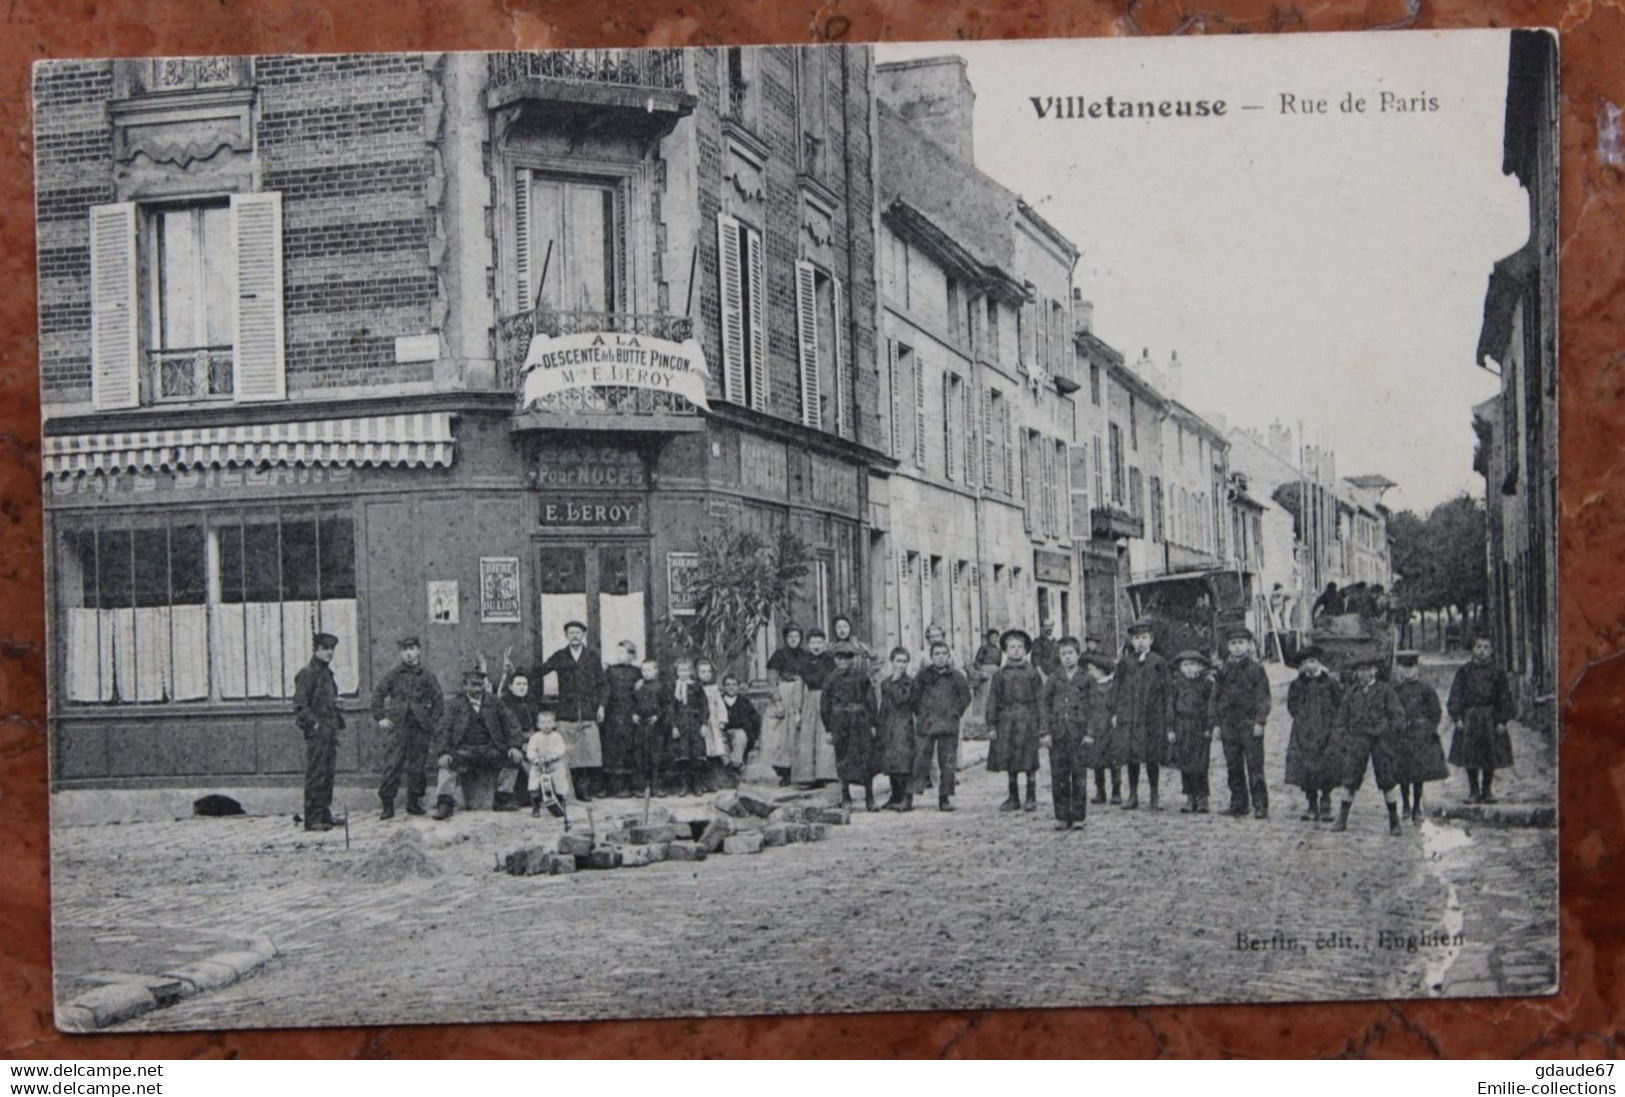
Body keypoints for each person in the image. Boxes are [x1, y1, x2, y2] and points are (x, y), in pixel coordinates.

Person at [431, 666, 525, 820]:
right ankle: (445, 803)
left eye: (480, 685)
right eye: (473, 685)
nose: (477, 689)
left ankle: (502, 798)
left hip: (490, 749)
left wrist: (515, 746)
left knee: (512, 759)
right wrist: (443, 752)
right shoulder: (455, 705)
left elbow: (512, 724)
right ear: (465, 685)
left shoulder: (495, 702)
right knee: (447, 763)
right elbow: (443, 729)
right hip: (464, 750)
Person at [1330, 654, 1408, 835]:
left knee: (1387, 780)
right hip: (1358, 740)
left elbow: (1398, 715)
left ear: (1375, 671)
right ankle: (1342, 818)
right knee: (1350, 779)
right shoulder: (1352, 693)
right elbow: (1341, 718)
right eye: (1360, 670)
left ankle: (1394, 821)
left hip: (1380, 740)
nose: (1364, 674)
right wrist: (1344, 737)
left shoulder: (1385, 691)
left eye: (1368, 669)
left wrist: (1390, 732)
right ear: (1356, 673)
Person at [370, 636, 444, 820]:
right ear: (400, 653)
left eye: (412, 649)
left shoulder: (427, 676)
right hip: (398, 727)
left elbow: (438, 700)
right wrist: (380, 717)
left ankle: (414, 803)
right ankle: (387, 805)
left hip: (420, 727)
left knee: (418, 765)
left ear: (419, 650)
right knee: (393, 764)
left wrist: (431, 721)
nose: (408, 653)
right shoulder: (394, 675)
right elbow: (378, 695)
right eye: (404, 650)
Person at [535, 621, 607, 802]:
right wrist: (516, 674)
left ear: (583, 635)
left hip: (588, 712)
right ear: (566, 636)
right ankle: (568, 792)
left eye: (578, 632)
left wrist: (601, 706)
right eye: (571, 633)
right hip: (567, 712)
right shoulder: (560, 656)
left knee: (588, 753)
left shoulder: (592, 656)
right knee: (569, 753)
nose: (574, 635)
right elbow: (541, 670)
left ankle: (586, 790)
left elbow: (603, 685)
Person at [1447, 636, 1516, 804]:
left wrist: (1502, 721)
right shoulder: (1464, 672)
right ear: (1473, 649)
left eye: (1486, 647)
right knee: (1470, 755)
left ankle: (1487, 790)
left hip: (1490, 718)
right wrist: (1457, 717)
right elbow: (1456, 695)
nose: (1482, 651)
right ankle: (1473, 790)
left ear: (1492, 651)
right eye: (1479, 646)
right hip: (1469, 718)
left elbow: (1504, 698)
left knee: (1489, 755)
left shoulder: (1498, 673)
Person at [1213, 625, 1272, 818]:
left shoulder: (1256, 670)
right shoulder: (1223, 670)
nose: (1237, 647)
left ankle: (1260, 804)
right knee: (1233, 765)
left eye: (1241, 643)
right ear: (1228, 646)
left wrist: (1259, 721)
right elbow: (1216, 698)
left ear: (1249, 645)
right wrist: (1216, 724)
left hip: (1250, 724)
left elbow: (1263, 697)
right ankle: (1238, 803)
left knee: (1255, 767)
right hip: (1229, 724)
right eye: (1233, 643)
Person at [1113, 620, 1170, 811]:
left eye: (1144, 638)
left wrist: (1166, 717)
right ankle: (1133, 794)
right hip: (1130, 717)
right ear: (1131, 640)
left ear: (1151, 639)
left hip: (1152, 718)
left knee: (1152, 756)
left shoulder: (1158, 663)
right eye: (1136, 638)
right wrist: (1116, 712)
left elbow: (1166, 692)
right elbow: (1116, 689)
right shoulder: (1125, 663)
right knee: (1131, 756)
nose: (1140, 642)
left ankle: (1154, 795)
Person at [986, 628, 1044, 812]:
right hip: (1007, 721)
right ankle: (1013, 797)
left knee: (1029, 759)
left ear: (1026, 649)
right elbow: (992, 700)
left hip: (1028, 719)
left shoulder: (1032, 673)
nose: (1016, 650)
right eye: (1012, 647)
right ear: (1005, 650)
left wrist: (1043, 728)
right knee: (1010, 759)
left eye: (1020, 647)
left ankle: (1031, 797)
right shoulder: (1000, 675)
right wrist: (992, 725)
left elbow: (1041, 701)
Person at [1284, 645, 1343, 823]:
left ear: (1319, 663)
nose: (1309, 666)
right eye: (1305, 663)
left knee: (1326, 765)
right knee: (1305, 767)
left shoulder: (1330, 683)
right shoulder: (1297, 684)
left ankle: (1325, 802)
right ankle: (1311, 803)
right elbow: (1291, 706)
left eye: (1312, 661)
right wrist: (1303, 720)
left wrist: (1332, 724)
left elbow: (1339, 704)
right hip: (1304, 731)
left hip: (1326, 730)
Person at [293, 631, 345, 832]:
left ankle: (324, 814)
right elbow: (299, 704)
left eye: (332, 649)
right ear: (315, 649)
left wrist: (336, 705)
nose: (329, 653)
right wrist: (313, 724)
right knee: (316, 774)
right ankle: (312, 818)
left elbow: (323, 700)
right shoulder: (308, 673)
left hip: (330, 729)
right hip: (318, 732)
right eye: (325, 649)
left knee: (328, 773)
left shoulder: (326, 673)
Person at [912, 639, 971, 811]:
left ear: (949, 656)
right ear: (931, 656)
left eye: (944, 654)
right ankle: (912, 794)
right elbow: (914, 697)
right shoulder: (923, 676)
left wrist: (955, 712)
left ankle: (944, 797)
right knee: (920, 758)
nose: (940, 657)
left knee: (948, 762)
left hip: (948, 724)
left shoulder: (956, 676)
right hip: (927, 723)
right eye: (936, 654)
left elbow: (965, 697)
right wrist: (922, 713)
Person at [1392, 650, 1449, 823]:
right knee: (1402, 773)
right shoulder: (1395, 690)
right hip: (1401, 736)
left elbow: (1436, 712)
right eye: (1404, 667)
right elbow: (1390, 711)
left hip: (1419, 736)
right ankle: (1406, 806)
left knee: (1418, 774)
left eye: (1411, 667)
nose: (1407, 671)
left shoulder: (1426, 689)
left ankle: (1417, 806)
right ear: (1398, 669)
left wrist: (1428, 729)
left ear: (1417, 668)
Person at [1041, 637, 1091, 830]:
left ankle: (1078, 816)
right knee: (1059, 777)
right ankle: (1062, 816)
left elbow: (1095, 707)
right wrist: (1045, 732)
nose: (1067, 657)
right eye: (1063, 654)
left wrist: (1090, 733)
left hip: (1079, 736)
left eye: (1071, 653)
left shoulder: (1086, 678)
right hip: (1058, 735)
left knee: (1079, 776)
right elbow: (1044, 706)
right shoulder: (1054, 678)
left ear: (1078, 655)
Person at [823, 641, 878, 810]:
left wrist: (873, 723)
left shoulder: (862, 677)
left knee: (866, 758)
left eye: (848, 658)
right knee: (842, 758)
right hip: (840, 722)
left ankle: (870, 798)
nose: (844, 662)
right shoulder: (830, 679)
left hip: (860, 722)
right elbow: (825, 705)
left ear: (853, 659)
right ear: (835, 659)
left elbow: (871, 700)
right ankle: (846, 796)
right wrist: (829, 729)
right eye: (840, 658)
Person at [1168, 650, 1217, 815]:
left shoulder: (1207, 684)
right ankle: (1190, 797)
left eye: (1192, 665)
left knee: (1201, 763)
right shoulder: (1176, 684)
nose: (1189, 669)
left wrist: (1209, 728)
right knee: (1185, 762)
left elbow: (1212, 707)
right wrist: (1170, 729)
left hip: (1200, 727)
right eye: (1185, 665)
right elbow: (1171, 707)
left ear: (1201, 666)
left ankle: (1203, 797)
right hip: (1182, 725)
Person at [793, 629, 838, 785]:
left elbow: (835, 685)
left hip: (828, 700)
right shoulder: (804, 663)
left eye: (819, 642)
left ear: (825, 644)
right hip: (810, 700)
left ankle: (826, 774)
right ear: (808, 644)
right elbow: (799, 688)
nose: (816, 646)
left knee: (825, 735)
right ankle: (808, 775)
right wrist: (797, 711)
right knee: (808, 736)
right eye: (813, 643)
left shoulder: (831, 662)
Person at [875, 647, 918, 811]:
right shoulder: (885, 682)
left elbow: (901, 700)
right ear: (891, 662)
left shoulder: (909, 682)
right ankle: (895, 795)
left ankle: (907, 798)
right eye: (898, 661)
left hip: (904, 723)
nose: (901, 665)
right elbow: (884, 706)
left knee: (905, 761)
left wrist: (897, 680)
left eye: (904, 661)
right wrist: (879, 726)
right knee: (891, 761)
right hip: (889, 724)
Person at [599, 640, 642, 797]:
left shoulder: (637, 672)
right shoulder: (610, 671)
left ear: (631, 655)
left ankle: (631, 786)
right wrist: (602, 708)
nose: (619, 655)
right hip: (613, 713)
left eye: (622, 652)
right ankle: (613, 787)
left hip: (630, 713)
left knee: (629, 748)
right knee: (612, 749)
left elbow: (641, 695)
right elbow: (604, 690)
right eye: (617, 652)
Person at [1079, 652, 1119, 804]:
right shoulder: (1090, 687)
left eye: (1091, 670)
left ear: (1101, 670)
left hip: (1110, 728)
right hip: (1095, 728)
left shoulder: (1113, 686)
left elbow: (1118, 705)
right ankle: (1100, 791)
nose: (1089, 673)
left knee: (1114, 761)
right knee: (1097, 762)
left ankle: (1116, 792)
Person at [667, 658, 710, 797]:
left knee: (697, 756)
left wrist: (704, 723)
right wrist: (673, 726)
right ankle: (684, 785)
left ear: (691, 671)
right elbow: (671, 709)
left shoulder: (697, 687)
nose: (683, 673)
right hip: (681, 726)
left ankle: (697, 784)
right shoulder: (674, 687)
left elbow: (704, 706)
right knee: (682, 757)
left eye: (686, 670)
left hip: (695, 725)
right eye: (680, 670)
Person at [524, 707, 573, 818]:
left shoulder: (557, 736)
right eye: (543, 723)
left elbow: (561, 749)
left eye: (549, 722)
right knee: (534, 783)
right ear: (538, 725)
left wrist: (553, 756)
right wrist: (535, 759)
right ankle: (536, 808)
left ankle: (560, 805)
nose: (546, 725)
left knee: (560, 782)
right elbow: (530, 750)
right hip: (539, 765)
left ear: (554, 724)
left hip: (554, 764)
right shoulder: (535, 737)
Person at [761, 665, 804, 787]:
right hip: (782, 700)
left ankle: (800, 772)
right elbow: (772, 685)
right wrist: (777, 701)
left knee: (797, 738)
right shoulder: (778, 660)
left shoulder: (805, 656)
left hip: (800, 694)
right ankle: (785, 772)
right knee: (780, 740)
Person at [629, 658, 666, 798]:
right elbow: (632, 702)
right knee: (640, 756)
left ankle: (656, 787)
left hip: (655, 727)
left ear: (656, 671)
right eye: (643, 670)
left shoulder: (661, 686)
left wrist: (658, 716)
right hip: (640, 726)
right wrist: (633, 714)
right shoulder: (638, 686)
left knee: (655, 758)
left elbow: (666, 705)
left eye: (649, 670)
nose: (646, 673)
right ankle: (641, 788)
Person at [695, 657, 731, 790]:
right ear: (697, 673)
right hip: (702, 723)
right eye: (703, 672)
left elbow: (720, 706)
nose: (706, 674)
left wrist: (722, 720)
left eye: (708, 671)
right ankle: (702, 782)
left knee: (715, 751)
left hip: (713, 723)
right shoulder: (696, 689)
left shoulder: (714, 689)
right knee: (703, 752)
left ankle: (714, 781)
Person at [718, 673, 761, 778]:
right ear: (723, 687)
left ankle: (735, 765)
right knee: (718, 740)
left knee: (740, 737)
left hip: (739, 731)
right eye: (728, 685)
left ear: (738, 687)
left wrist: (750, 733)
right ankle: (728, 763)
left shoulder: (744, 702)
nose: (731, 687)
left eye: (734, 684)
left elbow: (755, 720)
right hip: (724, 731)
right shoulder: (719, 701)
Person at [833, 613, 878, 678]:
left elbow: (877, 660)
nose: (842, 630)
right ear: (834, 629)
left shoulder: (861, 647)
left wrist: (868, 675)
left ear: (850, 628)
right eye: (838, 627)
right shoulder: (830, 647)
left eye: (845, 626)